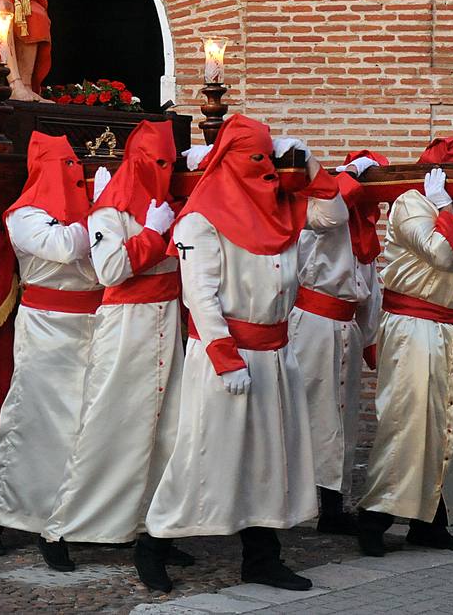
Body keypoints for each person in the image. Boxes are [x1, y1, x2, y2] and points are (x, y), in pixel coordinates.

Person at [142, 115, 338, 594]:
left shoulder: (282, 209)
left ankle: (262, 558)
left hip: (274, 352)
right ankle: (153, 542)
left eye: (268, 157)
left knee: (270, 459)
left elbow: (333, 217)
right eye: (254, 158)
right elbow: (200, 296)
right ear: (228, 162)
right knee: (205, 455)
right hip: (225, 357)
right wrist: (226, 359)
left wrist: (309, 163)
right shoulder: (200, 219)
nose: (264, 168)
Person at [39, 121, 189, 572]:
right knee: (109, 426)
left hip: (167, 321)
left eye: (172, 162)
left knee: (168, 431)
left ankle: (151, 527)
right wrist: (152, 234)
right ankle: (61, 528)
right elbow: (110, 270)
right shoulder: (111, 210)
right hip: (127, 324)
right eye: (157, 162)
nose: (165, 171)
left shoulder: (172, 203)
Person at [357, 137, 453, 558]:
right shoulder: (412, 202)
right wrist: (441, 205)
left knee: (448, 431)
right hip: (414, 330)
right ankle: (375, 515)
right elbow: (440, 254)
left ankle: (430, 523)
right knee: (408, 425)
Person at [0, 132, 101, 556]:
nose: (72, 176)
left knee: (83, 427)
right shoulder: (24, 216)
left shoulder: (91, 211)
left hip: (92, 324)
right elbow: (63, 247)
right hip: (46, 327)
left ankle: (68, 514)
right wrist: (104, 218)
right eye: (64, 167)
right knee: (33, 423)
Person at [288, 150, 388, 535]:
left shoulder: (363, 228)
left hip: (345, 327)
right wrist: (343, 181)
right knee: (312, 416)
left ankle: (333, 503)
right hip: (313, 325)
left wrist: (370, 336)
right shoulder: (320, 219)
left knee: (342, 420)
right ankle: (299, 500)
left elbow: (368, 288)